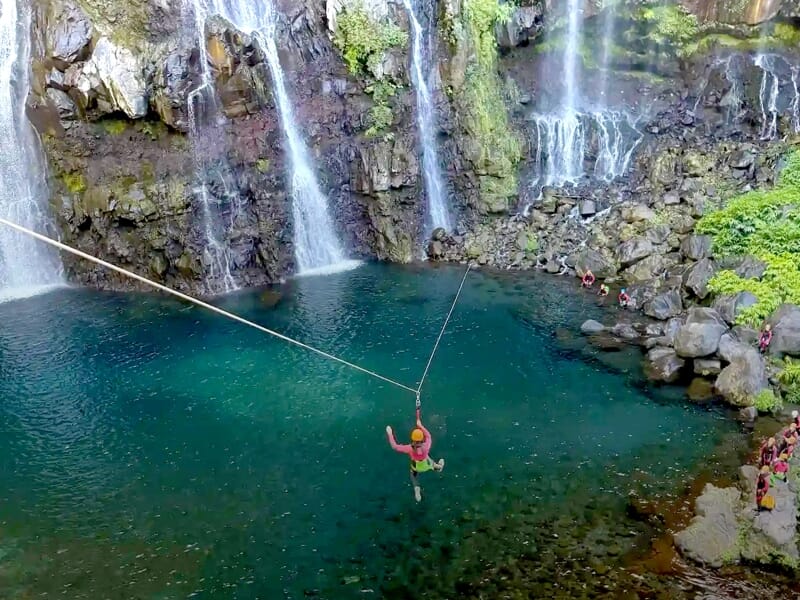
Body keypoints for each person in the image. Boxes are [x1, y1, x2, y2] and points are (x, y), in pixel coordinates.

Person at [386, 415, 444, 502]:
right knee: (432, 463)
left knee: (413, 476)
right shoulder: (426, 445)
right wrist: (420, 426)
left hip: (416, 466)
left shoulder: (409, 448)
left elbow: (395, 447)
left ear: (412, 439)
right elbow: (428, 436)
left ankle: (417, 490)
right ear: (422, 439)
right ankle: (439, 467)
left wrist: (390, 433)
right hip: (426, 464)